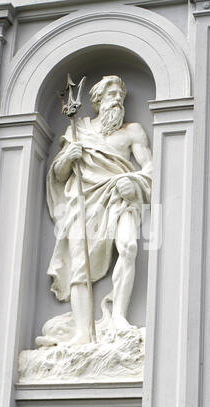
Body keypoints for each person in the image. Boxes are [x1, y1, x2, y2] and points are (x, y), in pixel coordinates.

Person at [46, 75, 152, 344]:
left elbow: (151, 169)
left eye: (120, 94)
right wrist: (68, 158)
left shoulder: (133, 131)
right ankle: (83, 333)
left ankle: (118, 316)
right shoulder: (78, 130)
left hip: (119, 195)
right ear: (97, 100)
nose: (117, 98)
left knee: (128, 247)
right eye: (111, 94)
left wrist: (134, 182)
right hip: (83, 201)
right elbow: (59, 175)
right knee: (80, 265)